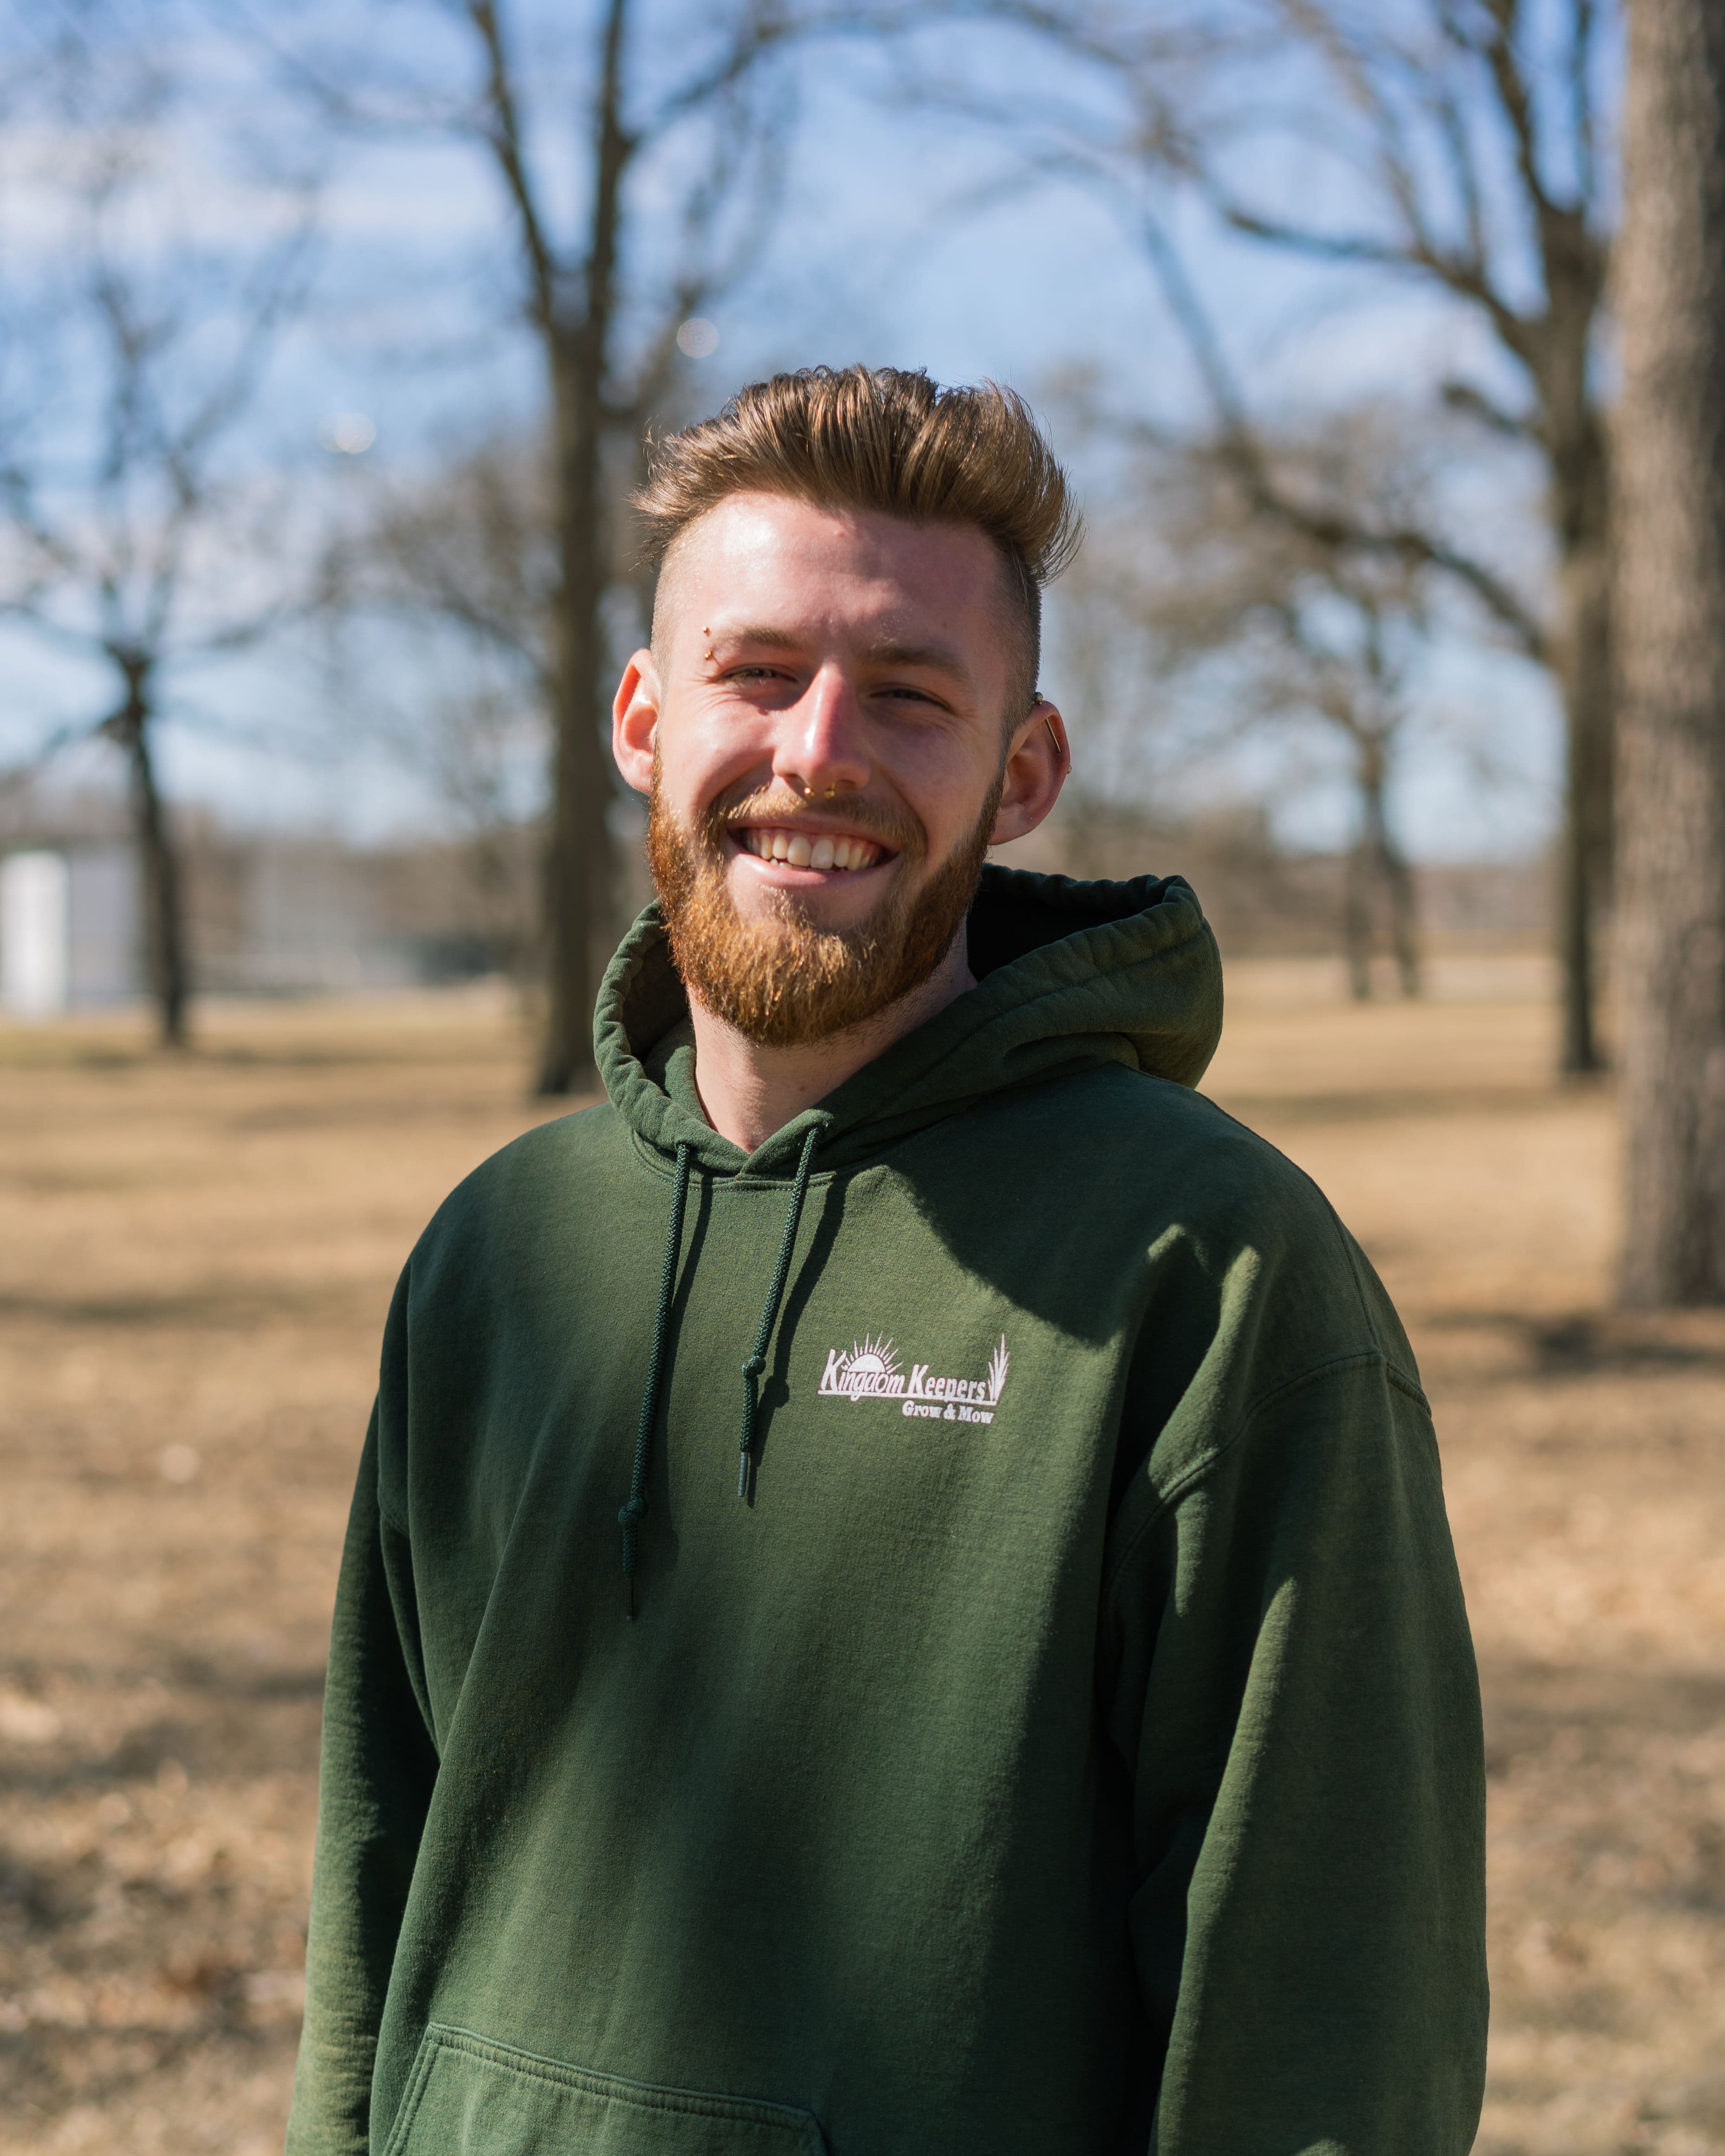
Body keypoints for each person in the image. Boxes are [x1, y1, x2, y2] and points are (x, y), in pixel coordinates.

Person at [286, 366, 1487, 2156]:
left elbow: (1324, 2019)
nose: (818, 749)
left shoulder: (1209, 1273)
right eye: (755, 673)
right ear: (641, 715)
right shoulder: (498, 1253)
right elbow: (377, 1871)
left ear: (1023, 774)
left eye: (909, 696)